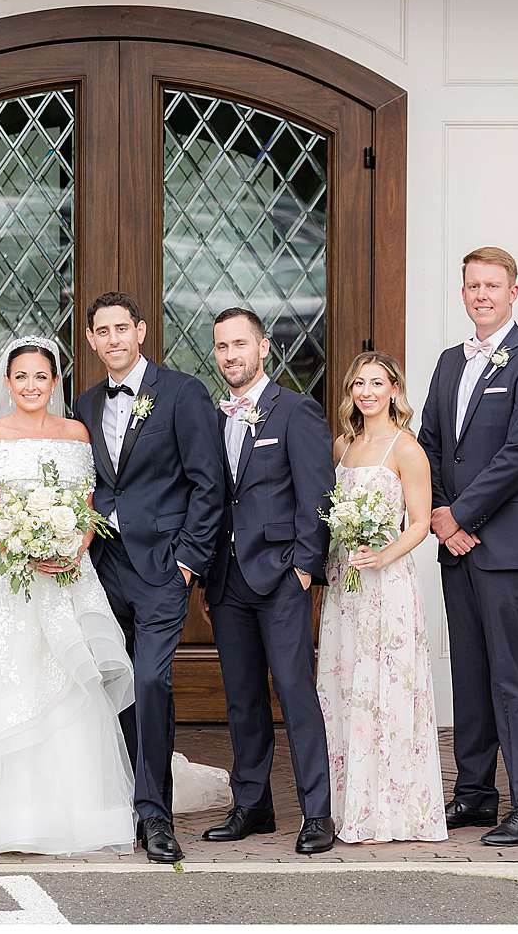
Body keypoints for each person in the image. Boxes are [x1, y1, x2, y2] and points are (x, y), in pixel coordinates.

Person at [0, 337, 137, 856]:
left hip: (64, 576)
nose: (32, 386)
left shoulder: (76, 434)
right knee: (7, 688)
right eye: (21, 377)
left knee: (69, 689)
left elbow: (85, 509)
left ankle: (75, 817)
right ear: (7, 383)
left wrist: (71, 547)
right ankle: (2, 818)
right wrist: (20, 543)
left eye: (41, 376)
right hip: (5, 578)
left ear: (54, 382)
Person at [417, 246, 518, 847]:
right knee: (470, 672)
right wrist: (442, 519)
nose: (481, 294)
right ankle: (474, 793)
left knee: (511, 674)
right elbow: (428, 440)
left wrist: (463, 512)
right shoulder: (451, 361)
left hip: (507, 543)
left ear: (513, 292)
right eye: (473, 285)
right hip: (457, 544)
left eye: (492, 285)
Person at [73, 292, 226, 864]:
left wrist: (189, 560)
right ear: (90, 339)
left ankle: (155, 815)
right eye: (101, 331)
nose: (113, 339)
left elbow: (208, 483)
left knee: (152, 682)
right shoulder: (84, 404)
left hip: (163, 566)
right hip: (101, 566)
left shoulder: (183, 393)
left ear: (140, 331)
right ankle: (126, 800)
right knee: (111, 683)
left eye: (122, 329)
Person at [205, 307, 336, 855]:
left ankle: (317, 814)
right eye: (221, 346)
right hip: (227, 579)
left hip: (282, 575)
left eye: (240, 344)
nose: (231, 355)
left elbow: (317, 493)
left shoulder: (295, 411)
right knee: (241, 699)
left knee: (295, 692)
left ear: (263, 348)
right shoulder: (212, 417)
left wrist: (306, 565)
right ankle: (253, 805)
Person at [317, 351, 446, 844]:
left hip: (385, 584)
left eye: (377, 383)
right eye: (359, 384)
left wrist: (384, 555)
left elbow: (419, 523)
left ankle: (389, 807)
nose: (367, 392)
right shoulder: (343, 446)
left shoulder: (405, 448)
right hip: (347, 583)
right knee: (346, 684)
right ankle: (349, 801)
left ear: (394, 389)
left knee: (384, 689)